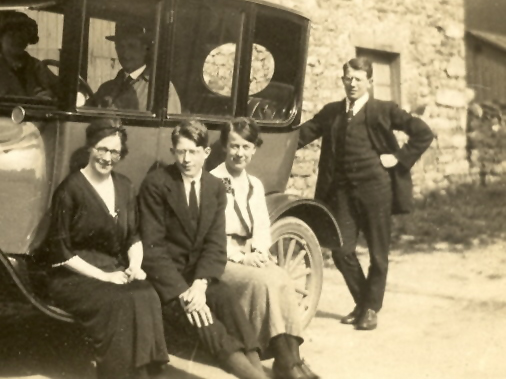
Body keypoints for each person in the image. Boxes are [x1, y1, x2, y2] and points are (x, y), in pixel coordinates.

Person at [298, 57, 433, 331]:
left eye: (359, 79)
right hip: (343, 194)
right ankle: (363, 303)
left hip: (376, 191)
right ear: (342, 80)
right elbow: (303, 134)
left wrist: (399, 157)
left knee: (378, 254)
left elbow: (423, 133)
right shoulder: (332, 112)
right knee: (341, 250)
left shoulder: (383, 110)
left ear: (370, 82)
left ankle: (371, 308)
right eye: (348, 78)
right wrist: (258, 141)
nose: (353, 83)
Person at [139, 120, 269, 379]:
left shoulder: (215, 187)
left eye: (194, 152)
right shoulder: (156, 184)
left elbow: (215, 243)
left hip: (197, 278)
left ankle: (258, 373)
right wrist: (185, 292)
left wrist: (200, 283)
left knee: (229, 301)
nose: (187, 159)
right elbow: (153, 249)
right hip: (168, 284)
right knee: (203, 319)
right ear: (173, 151)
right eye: (181, 151)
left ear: (206, 153)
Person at [44, 118, 169, 379]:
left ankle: (146, 374)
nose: (107, 157)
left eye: (115, 152)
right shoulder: (70, 190)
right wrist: (105, 277)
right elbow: (61, 253)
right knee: (121, 301)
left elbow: (133, 236)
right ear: (90, 147)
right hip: (73, 277)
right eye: (102, 149)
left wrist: (135, 266)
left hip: (114, 270)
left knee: (146, 293)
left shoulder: (124, 186)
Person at [211, 117, 319, 379]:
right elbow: (210, 234)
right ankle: (284, 360)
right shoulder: (212, 181)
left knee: (281, 277)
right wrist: (241, 257)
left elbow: (261, 225)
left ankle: (292, 359)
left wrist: (259, 251)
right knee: (265, 282)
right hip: (221, 255)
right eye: (235, 146)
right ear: (225, 146)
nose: (240, 153)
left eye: (246, 147)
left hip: (249, 253)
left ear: (254, 149)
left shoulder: (254, 185)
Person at [88, 21, 182, 113]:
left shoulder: (161, 88)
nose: (125, 53)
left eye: (131, 46)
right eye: (120, 46)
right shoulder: (106, 88)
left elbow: (168, 127)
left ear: (145, 49)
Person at [0, 11, 59, 98]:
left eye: (22, 34)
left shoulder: (40, 69)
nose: (17, 39)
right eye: (11, 34)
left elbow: (62, 98)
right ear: (0, 38)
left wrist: (50, 97)